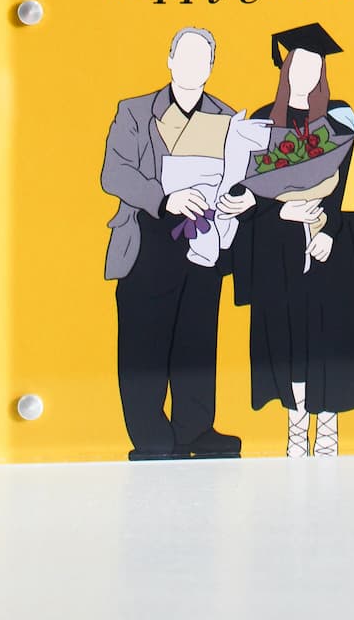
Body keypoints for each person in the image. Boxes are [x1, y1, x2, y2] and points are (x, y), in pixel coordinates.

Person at [217, 23, 354, 457]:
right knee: (288, 343)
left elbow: (351, 185)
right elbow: (248, 187)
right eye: (298, 65)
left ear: (323, 72)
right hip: (279, 252)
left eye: (314, 66)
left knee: (329, 342)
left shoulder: (339, 120)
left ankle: (329, 433)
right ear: (285, 69)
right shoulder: (263, 121)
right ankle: (296, 429)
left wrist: (330, 230)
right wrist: (279, 211)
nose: (306, 73)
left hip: (329, 253)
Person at [100, 26, 241, 461]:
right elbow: (114, 173)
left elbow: (240, 173)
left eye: (203, 59)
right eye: (186, 56)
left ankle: (195, 429)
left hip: (205, 241)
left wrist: (239, 199)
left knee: (197, 338)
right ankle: (150, 435)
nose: (194, 66)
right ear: (170, 60)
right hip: (149, 239)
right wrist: (165, 198)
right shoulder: (135, 111)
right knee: (144, 340)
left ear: (212, 67)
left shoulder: (227, 116)